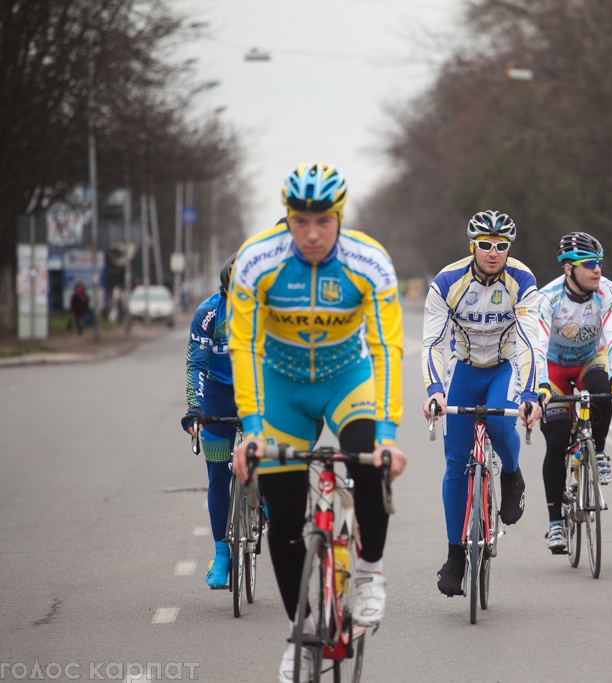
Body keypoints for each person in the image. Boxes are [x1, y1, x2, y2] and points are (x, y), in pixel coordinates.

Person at [227, 164, 407, 683]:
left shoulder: (368, 261)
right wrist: (254, 430)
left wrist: (389, 437)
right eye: (300, 221)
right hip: (281, 388)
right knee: (282, 518)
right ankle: (302, 634)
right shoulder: (258, 259)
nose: (310, 234)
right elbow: (245, 344)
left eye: (322, 221)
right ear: (286, 217)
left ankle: (370, 572)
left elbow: (386, 348)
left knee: (369, 460)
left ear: (339, 218)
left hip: (345, 378)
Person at [421, 210, 542, 596]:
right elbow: (433, 343)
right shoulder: (446, 282)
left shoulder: (521, 280)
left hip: (504, 367)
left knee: (500, 423)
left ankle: (510, 473)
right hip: (465, 369)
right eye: (486, 245)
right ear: (472, 246)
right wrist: (434, 389)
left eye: (501, 245)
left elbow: (529, 340)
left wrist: (529, 395)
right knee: (456, 464)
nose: (493, 252)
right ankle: (455, 553)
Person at [536, 232, 612, 553]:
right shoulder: (548, 298)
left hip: (588, 360)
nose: (598, 270)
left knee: (602, 390)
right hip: (553, 369)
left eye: (600, 263)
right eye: (590, 264)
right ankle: (555, 523)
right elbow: (536, 347)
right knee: (556, 440)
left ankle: (600, 450)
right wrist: (539, 386)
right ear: (568, 269)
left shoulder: (606, 291)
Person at [181, 254, 238, 589]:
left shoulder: (270, 310)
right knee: (218, 472)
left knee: (274, 458)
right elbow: (196, 365)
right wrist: (195, 409)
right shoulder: (209, 314)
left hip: (256, 390)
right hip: (218, 393)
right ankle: (222, 553)